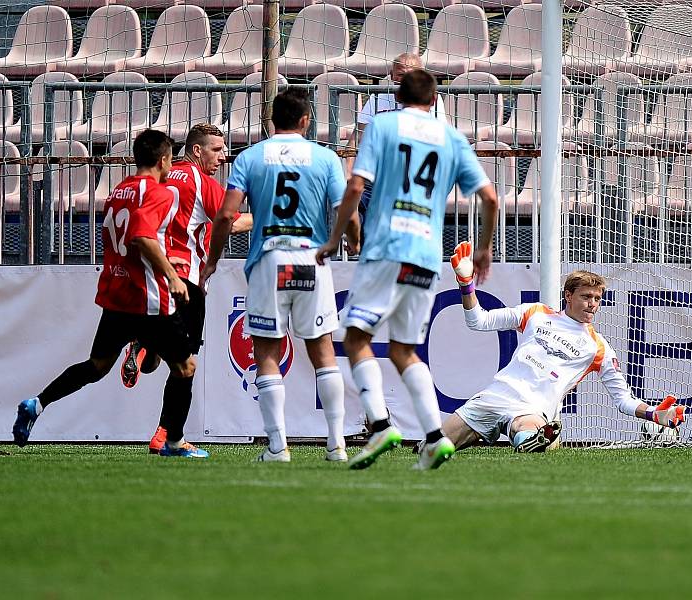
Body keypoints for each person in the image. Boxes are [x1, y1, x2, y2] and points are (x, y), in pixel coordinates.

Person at [316, 69, 499, 471]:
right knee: (402, 349)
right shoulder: (451, 137)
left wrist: (336, 238)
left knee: (355, 338)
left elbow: (355, 186)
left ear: (397, 96)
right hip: (426, 254)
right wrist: (483, 248)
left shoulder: (383, 125)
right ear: (435, 101)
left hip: (386, 247)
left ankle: (380, 425)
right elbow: (490, 197)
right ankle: (434, 438)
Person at [11, 129, 209, 458]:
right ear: (163, 160)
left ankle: (37, 403)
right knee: (186, 366)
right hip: (146, 297)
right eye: (170, 159)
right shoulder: (159, 193)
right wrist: (172, 274)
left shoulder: (119, 191)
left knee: (96, 366)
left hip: (116, 293)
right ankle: (174, 442)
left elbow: (130, 237)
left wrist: (158, 253)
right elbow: (142, 238)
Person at [200, 88, 357, 463]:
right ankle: (336, 445)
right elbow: (346, 211)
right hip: (311, 258)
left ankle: (277, 447)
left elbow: (225, 216)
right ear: (305, 120)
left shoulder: (251, 157)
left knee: (267, 352)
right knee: (322, 349)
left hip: (269, 259)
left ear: (272, 121)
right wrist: (357, 242)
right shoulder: (326, 158)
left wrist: (212, 260)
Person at [440, 242, 687, 452]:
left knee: (526, 432)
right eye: (586, 297)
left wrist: (654, 414)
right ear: (568, 296)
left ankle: (535, 438)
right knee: (432, 448)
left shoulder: (598, 348)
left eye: (597, 299)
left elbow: (623, 400)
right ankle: (516, 436)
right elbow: (478, 321)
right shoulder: (534, 313)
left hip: (532, 408)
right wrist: (465, 282)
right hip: (496, 394)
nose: (593, 304)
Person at [118, 123, 252, 454]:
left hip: (154, 273)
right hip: (186, 278)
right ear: (196, 150)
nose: (223, 157)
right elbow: (230, 220)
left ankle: (145, 346)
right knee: (186, 365)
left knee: (168, 357)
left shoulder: (162, 177)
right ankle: (167, 436)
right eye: (217, 150)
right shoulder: (200, 181)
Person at [346, 53, 446, 238]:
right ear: (391, 76)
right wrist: (349, 169)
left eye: (411, 73)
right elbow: (358, 134)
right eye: (400, 74)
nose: (406, 79)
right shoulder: (378, 98)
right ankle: (357, 241)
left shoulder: (433, 102)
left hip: (413, 179)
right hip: (377, 176)